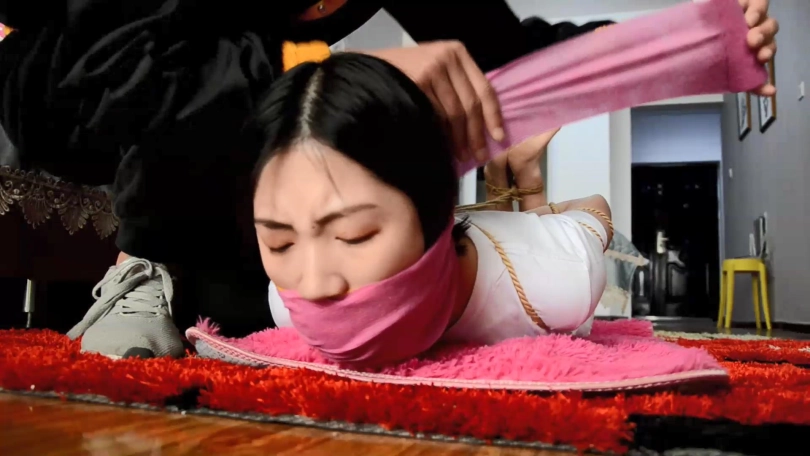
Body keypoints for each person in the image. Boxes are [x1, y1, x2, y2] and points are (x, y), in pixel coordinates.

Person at [0, 0, 778, 360]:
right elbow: (81, 78)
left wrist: (695, 46)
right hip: (104, 120)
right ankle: (149, 269)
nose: (320, 281)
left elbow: (502, 52)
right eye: (287, 243)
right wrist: (335, 77)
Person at [256, 52, 611, 367]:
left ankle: (519, 167)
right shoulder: (286, 304)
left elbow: (595, 209)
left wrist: (531, 183)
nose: (314, 287)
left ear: (437, 208)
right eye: (280, 243)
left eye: (354, 236)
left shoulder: (562, 277)